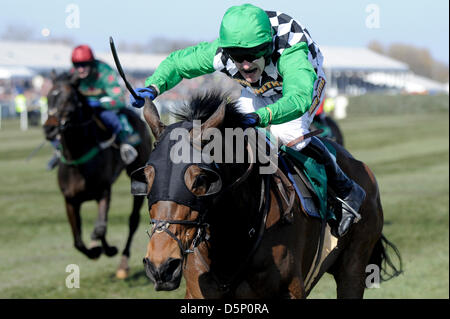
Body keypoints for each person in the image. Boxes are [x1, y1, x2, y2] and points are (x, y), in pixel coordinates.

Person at [130, 4, 365, 237]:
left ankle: (346, 190)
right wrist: (153, 86)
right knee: (231, 137)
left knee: (288, 133)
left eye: (253, 56)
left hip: (301, 86)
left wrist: (261, 117)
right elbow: (178, 64)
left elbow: (298, 99)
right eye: (238, 57)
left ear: (268, 46)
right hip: (260, 89)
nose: (244, 65)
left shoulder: (291, 52)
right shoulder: (222, 52)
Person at [47, 44, 138, 170]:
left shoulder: (105, 72)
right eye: (77, 65)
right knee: (50, 123)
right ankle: (59, 149)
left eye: (84, 65)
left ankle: (124, 144)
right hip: (81, 109)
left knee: (111, 118)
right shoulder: (72, 73)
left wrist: (100, 103)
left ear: (91, 63)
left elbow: (120, 100)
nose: (80, 69)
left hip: (102, 108)